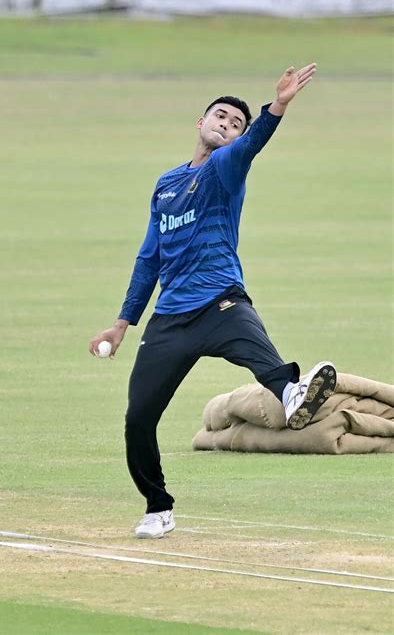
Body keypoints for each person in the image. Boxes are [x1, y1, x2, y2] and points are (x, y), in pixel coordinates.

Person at [89, 63, 337, 539]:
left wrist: (277, 106)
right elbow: (149, 258)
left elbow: (253, 143)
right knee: (138, 418)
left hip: (221, 299)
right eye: (219, 116)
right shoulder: (165, 185)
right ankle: (158, 507)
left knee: (257, 350)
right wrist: (122, 323)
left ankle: (292, 393)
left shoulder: (226, 167)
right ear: (199, 124)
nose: (226, 124)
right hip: (170, 319)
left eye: (234, 122)